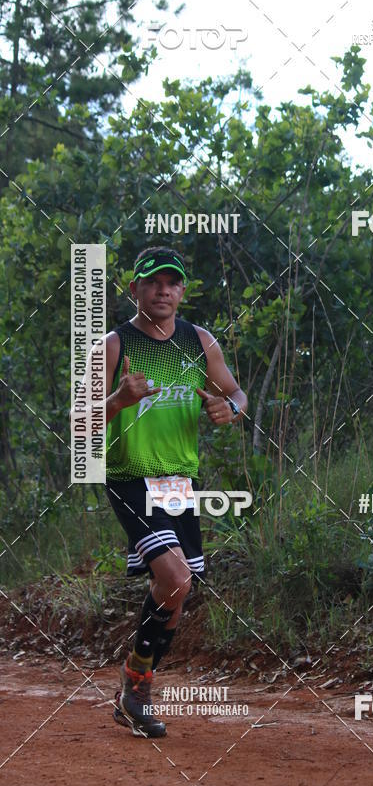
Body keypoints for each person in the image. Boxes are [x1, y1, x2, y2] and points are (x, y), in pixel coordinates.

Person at [100, 246, 247, 737]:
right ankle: (137, 686)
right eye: (152, 282)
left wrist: (232, 410)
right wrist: (119, 399)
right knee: (176, 580)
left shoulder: (199, 342)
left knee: (177, 593)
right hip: (129, 476)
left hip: (177, 482)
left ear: (182, 291)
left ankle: (134, 682)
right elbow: (78, 422)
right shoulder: (115, 345)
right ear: (135, 289)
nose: (163, 290)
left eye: (172, 283)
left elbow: (236, 393)